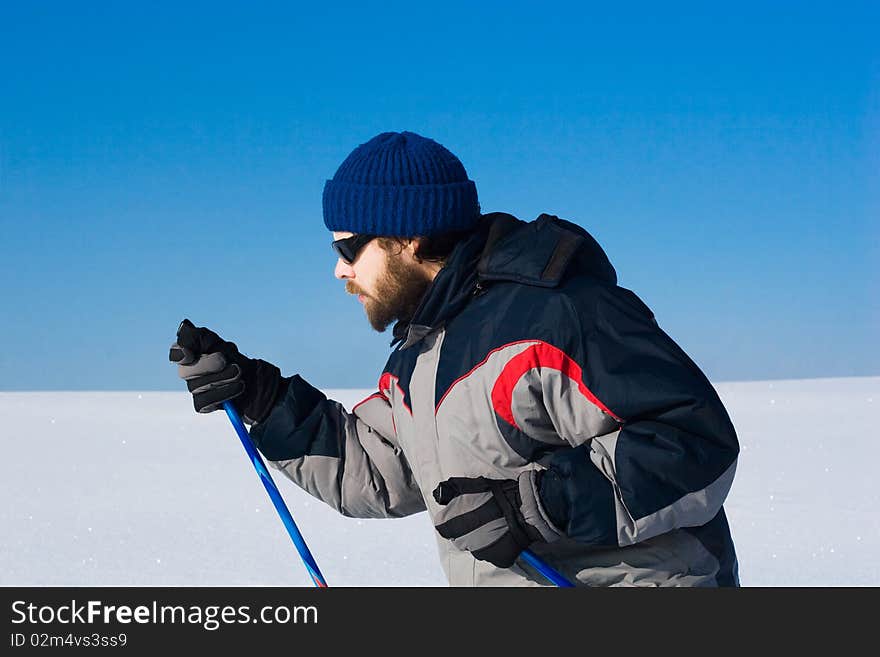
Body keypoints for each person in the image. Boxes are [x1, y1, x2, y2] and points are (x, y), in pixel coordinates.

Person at [169, 131, 740, 586]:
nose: (339, 270)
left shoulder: (557, 316)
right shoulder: (423, 355)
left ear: (409, 237)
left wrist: (536, 504)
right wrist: (261, 397)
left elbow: (691, 442)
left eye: (348, 248)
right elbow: (375, 469)